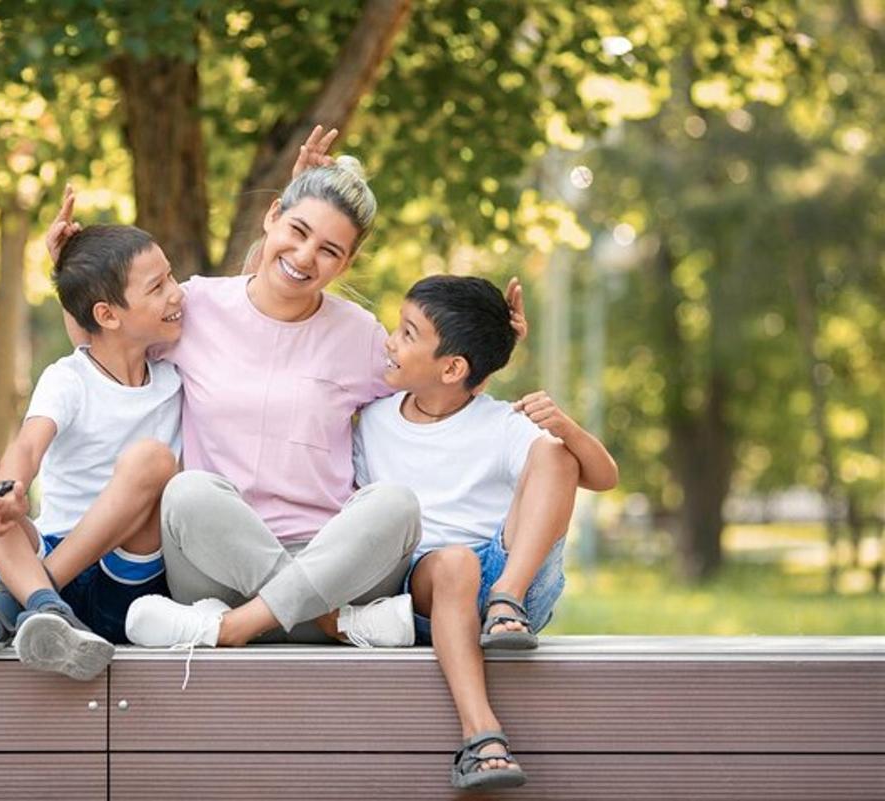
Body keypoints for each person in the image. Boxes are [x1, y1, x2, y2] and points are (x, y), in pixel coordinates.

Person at [102, 128, 426, 652]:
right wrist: (68, 274)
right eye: (296, 230)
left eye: (328, 250)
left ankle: (233, 631)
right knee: (186, 491)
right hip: (217, 568)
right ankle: (328, 622)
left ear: (347, 263)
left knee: (397, 504)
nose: (304, 255)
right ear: (271, 215)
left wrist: (492, 341)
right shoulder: (198, 305)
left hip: (332, 560)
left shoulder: (360, 333)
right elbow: (106, 346)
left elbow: (432, 390)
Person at [351, 274, 619, 792]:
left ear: (453, 368)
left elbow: (603, 477)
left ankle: (506, 600)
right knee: (456, 563)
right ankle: (483, 735)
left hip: (510, 587)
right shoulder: (372, 420)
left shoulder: (499, 423)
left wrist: (566, 427)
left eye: (407, 334)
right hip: (428, 589)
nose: (390, 341)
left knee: (554, 453)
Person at [0, 218, 184, 681]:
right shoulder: (68, 379)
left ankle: (26, 601)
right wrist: (11, 489)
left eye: (170, 276)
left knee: (152, 459)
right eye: (158, 286)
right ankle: (47, 606)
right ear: (108, 315)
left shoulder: (174, 376)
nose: (176, 293)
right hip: (49, 551)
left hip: (127, 580)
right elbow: (29, 445)